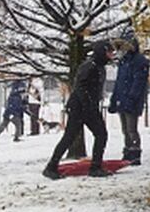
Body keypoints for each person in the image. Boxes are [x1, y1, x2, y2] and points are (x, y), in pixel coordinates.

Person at [43, 41, 116, 179]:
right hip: (81, 107)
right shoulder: (90, 66)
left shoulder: (99, 66)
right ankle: (54, 167)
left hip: (87, 106)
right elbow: (80, 86)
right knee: (77, 136)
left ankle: (93, 166)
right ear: (103, 52)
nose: (112, 55)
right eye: (109, 52)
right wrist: (89, 104)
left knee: (96, 135)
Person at [109, 29, 148, 165]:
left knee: (132, 129)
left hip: (131, 100)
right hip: (122, 99)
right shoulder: (123, 62)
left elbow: (139, 82)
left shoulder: (139, 61)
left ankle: (135, 153)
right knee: (125, 129)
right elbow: (119, 82)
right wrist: (114, 98)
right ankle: (127, 151)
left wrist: (132, 97)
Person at [0, 80, 26, 144]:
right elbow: (15, 107)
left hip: (8, 113)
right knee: (18, 124)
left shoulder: (13, 96)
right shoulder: (16, 97)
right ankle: (16, 137)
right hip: (12, 113)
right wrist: (20, 109)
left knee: (3, 125)